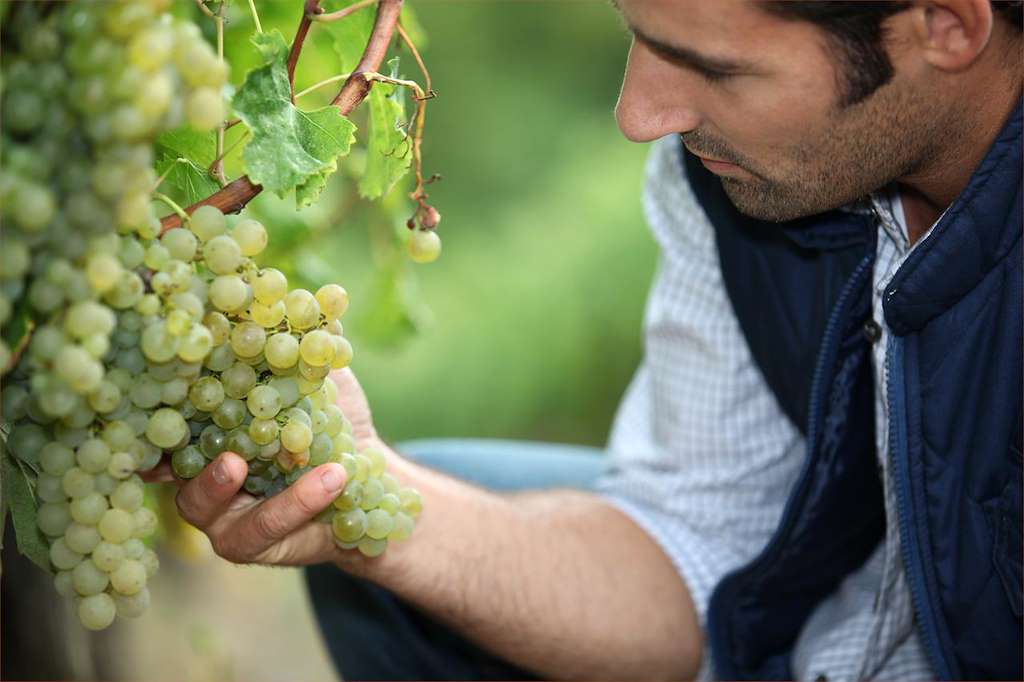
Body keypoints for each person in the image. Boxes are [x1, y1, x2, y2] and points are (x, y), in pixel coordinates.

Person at [159, 1, 1022, 679]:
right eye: (637, 32)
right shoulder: (740, 176)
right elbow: (692, 554)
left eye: (712, 68)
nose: (640, 114)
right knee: (405, 554)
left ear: (945, 25)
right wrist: (366, 503)